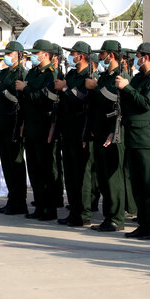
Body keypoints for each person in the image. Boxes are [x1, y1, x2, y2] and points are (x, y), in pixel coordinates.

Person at [115, 42, 150, 240]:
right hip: (135, 137)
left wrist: (127, 88)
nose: (136, 61)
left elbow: (146, 103)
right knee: (138, 186)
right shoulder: (140, 78)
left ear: (145, 57)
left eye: (138, 56)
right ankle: (143, 223)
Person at [86, 40, 128, 232]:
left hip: (113, 131)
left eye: (102, 54)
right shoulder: (105, 77)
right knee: (104, 177)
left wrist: (96, 88)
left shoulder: (120, 77)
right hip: (101, 130)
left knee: (113, 177)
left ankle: (116, 218)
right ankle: (108, 216)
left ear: (110, 55)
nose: (100, 57)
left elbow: (116, 102)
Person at [16, 39, 59, 221]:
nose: (33, 56)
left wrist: (26, 89)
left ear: (46, 55)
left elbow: (45, 98)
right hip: (31, 125)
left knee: (45, 168)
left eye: (36, 53)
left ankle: (49, 208)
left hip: (44, 125)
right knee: (33, 169)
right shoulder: (33, 73)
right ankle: (39, 206)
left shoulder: (51, 74)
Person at [0, 41, 28, 215]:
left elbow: (16, 99)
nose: (7, 56)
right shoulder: (4, 73)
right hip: (2, 123)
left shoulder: (22, 74)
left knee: (16, 165)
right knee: (7, 165)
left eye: (10, 54)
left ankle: (19, 202)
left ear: (18, 55)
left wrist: (0, 85)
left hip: (14, 123)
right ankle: (12, 199)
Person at [56, 41, 94, 227]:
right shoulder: (71, 74)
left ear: (82, 55)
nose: (72, 56)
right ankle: (74, 210)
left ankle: (83, 213)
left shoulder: (89, 76)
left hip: (81, 130)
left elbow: (81, 97)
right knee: (70, 174)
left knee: (82, 174)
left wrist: (64, 88)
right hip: (68, 129)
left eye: (74, 53)